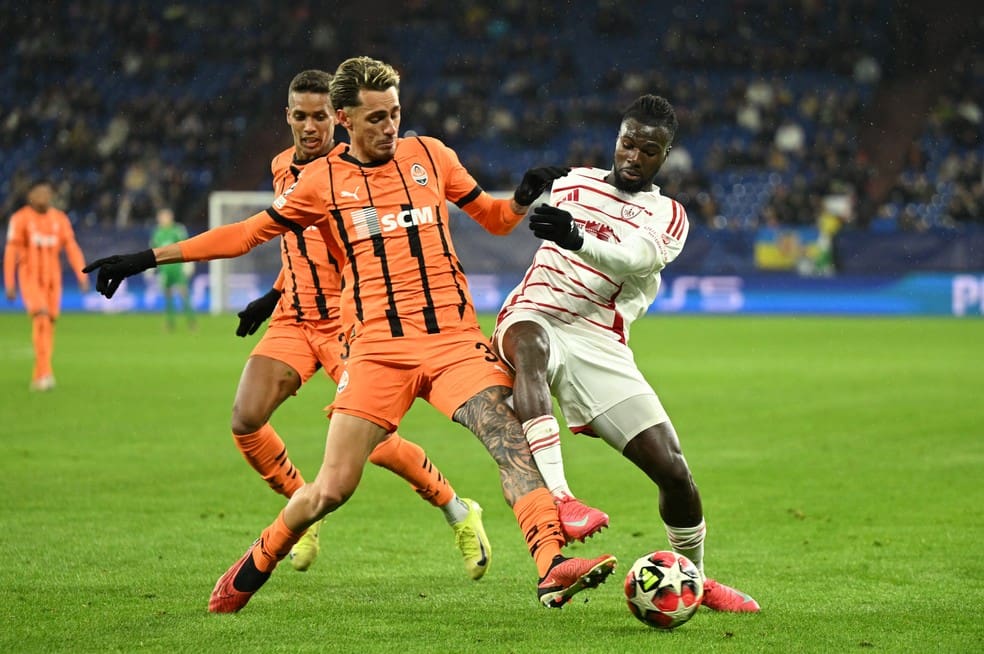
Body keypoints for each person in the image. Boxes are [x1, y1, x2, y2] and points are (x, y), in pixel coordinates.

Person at [83, 56, 617, 613]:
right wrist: (147, 257)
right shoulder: (320, 182)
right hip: (377, 353)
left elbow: (496, 218)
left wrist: (521, 199)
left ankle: (551, 566)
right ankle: (258, 559)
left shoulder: (431, 156)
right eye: (376, 119)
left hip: (454, 342)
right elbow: (246, 234)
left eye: (394, 115)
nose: (389, 128)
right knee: (331, 489)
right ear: (345, 119)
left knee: (508, 438)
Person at [492, 94, 760, 612]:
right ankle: (562, 499)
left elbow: (632, 256)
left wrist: (574, 236)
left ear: (666, 156)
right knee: (531, 343)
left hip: (599, 339)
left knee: (675, 471)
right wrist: (524, 194)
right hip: (535, 313)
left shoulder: (669, 215)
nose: (634, 156)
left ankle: (696, 582)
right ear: (617, 139)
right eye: (627, 143)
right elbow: (510, 210)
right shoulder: (575, 181)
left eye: (649, 150)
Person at [232, 69, 491, 579]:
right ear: (287, 117)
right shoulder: (284, 166)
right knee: (245, 417)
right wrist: (276, 291)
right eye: (301, 116)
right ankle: (302, 511)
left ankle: (457, 508)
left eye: (321, 117)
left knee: (375, 446)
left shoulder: (352, 171)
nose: (311, 127)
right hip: (293, 317)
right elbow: (300, 237)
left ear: (340, 118)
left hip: (347, 324)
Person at [4, 179, 89, 391]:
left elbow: (71, 247)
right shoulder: (20, 219)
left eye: (46, 193)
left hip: (53, 280)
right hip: (30, 277)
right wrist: (9, 281)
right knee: (41, 318)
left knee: (49, 324)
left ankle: (40, 374)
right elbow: (11, 252)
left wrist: (82, 274)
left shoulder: (59, 219)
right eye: (38, 193)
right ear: (30, 196)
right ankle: (45, 374)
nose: (43, 197)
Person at [149, 207, 196, 331]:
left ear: (170, 217)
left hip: (177, 268)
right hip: (164, 269)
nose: (162, 219)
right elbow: (153, 250)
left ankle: (191, 322)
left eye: (164, 217)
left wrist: (189, 264)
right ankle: (170, 323)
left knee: (183, 293)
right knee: (168, 296)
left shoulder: (177, 230)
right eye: (160, 217)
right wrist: (149, 267)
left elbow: (186, 245)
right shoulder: (157, 233)